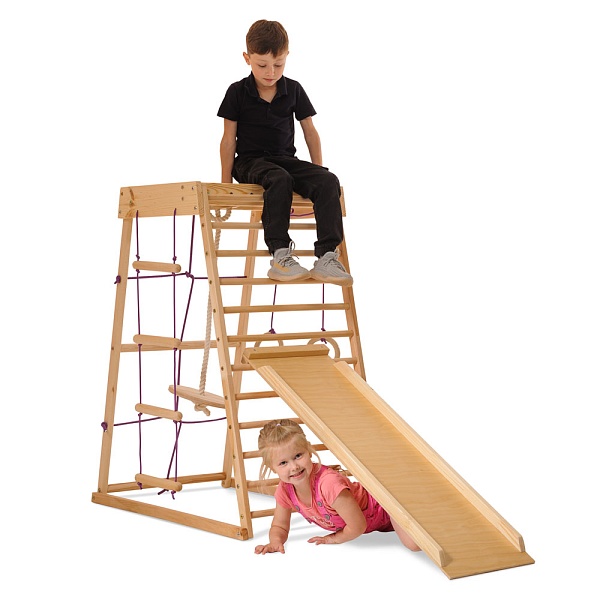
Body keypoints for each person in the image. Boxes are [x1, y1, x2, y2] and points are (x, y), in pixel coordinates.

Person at [218, 19, 353, 286]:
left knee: (328, 180)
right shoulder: (237, 92)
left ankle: (326, 256)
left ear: (287, 57)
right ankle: (280, 255)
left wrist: (317, 172)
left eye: (278, 65)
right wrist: (225, 184)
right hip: (249, 162)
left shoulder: (294, 89)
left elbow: (310, 132)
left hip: (284, 160)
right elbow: (228, 140)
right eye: (262, 65)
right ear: (247, 58)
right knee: (279, 178)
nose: (271, 72)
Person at [254, 419, 421, 554]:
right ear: (272, 468)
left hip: (385, 503)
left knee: (414, 544)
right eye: (283, 463)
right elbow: (280, 525)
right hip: (382, 525)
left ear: (309, 451)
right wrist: (275, 542)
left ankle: (406, 486)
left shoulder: (328, 484)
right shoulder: (285, 491)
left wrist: (333, 538)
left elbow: (358, 526)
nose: (294, 467)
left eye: (298, 456)